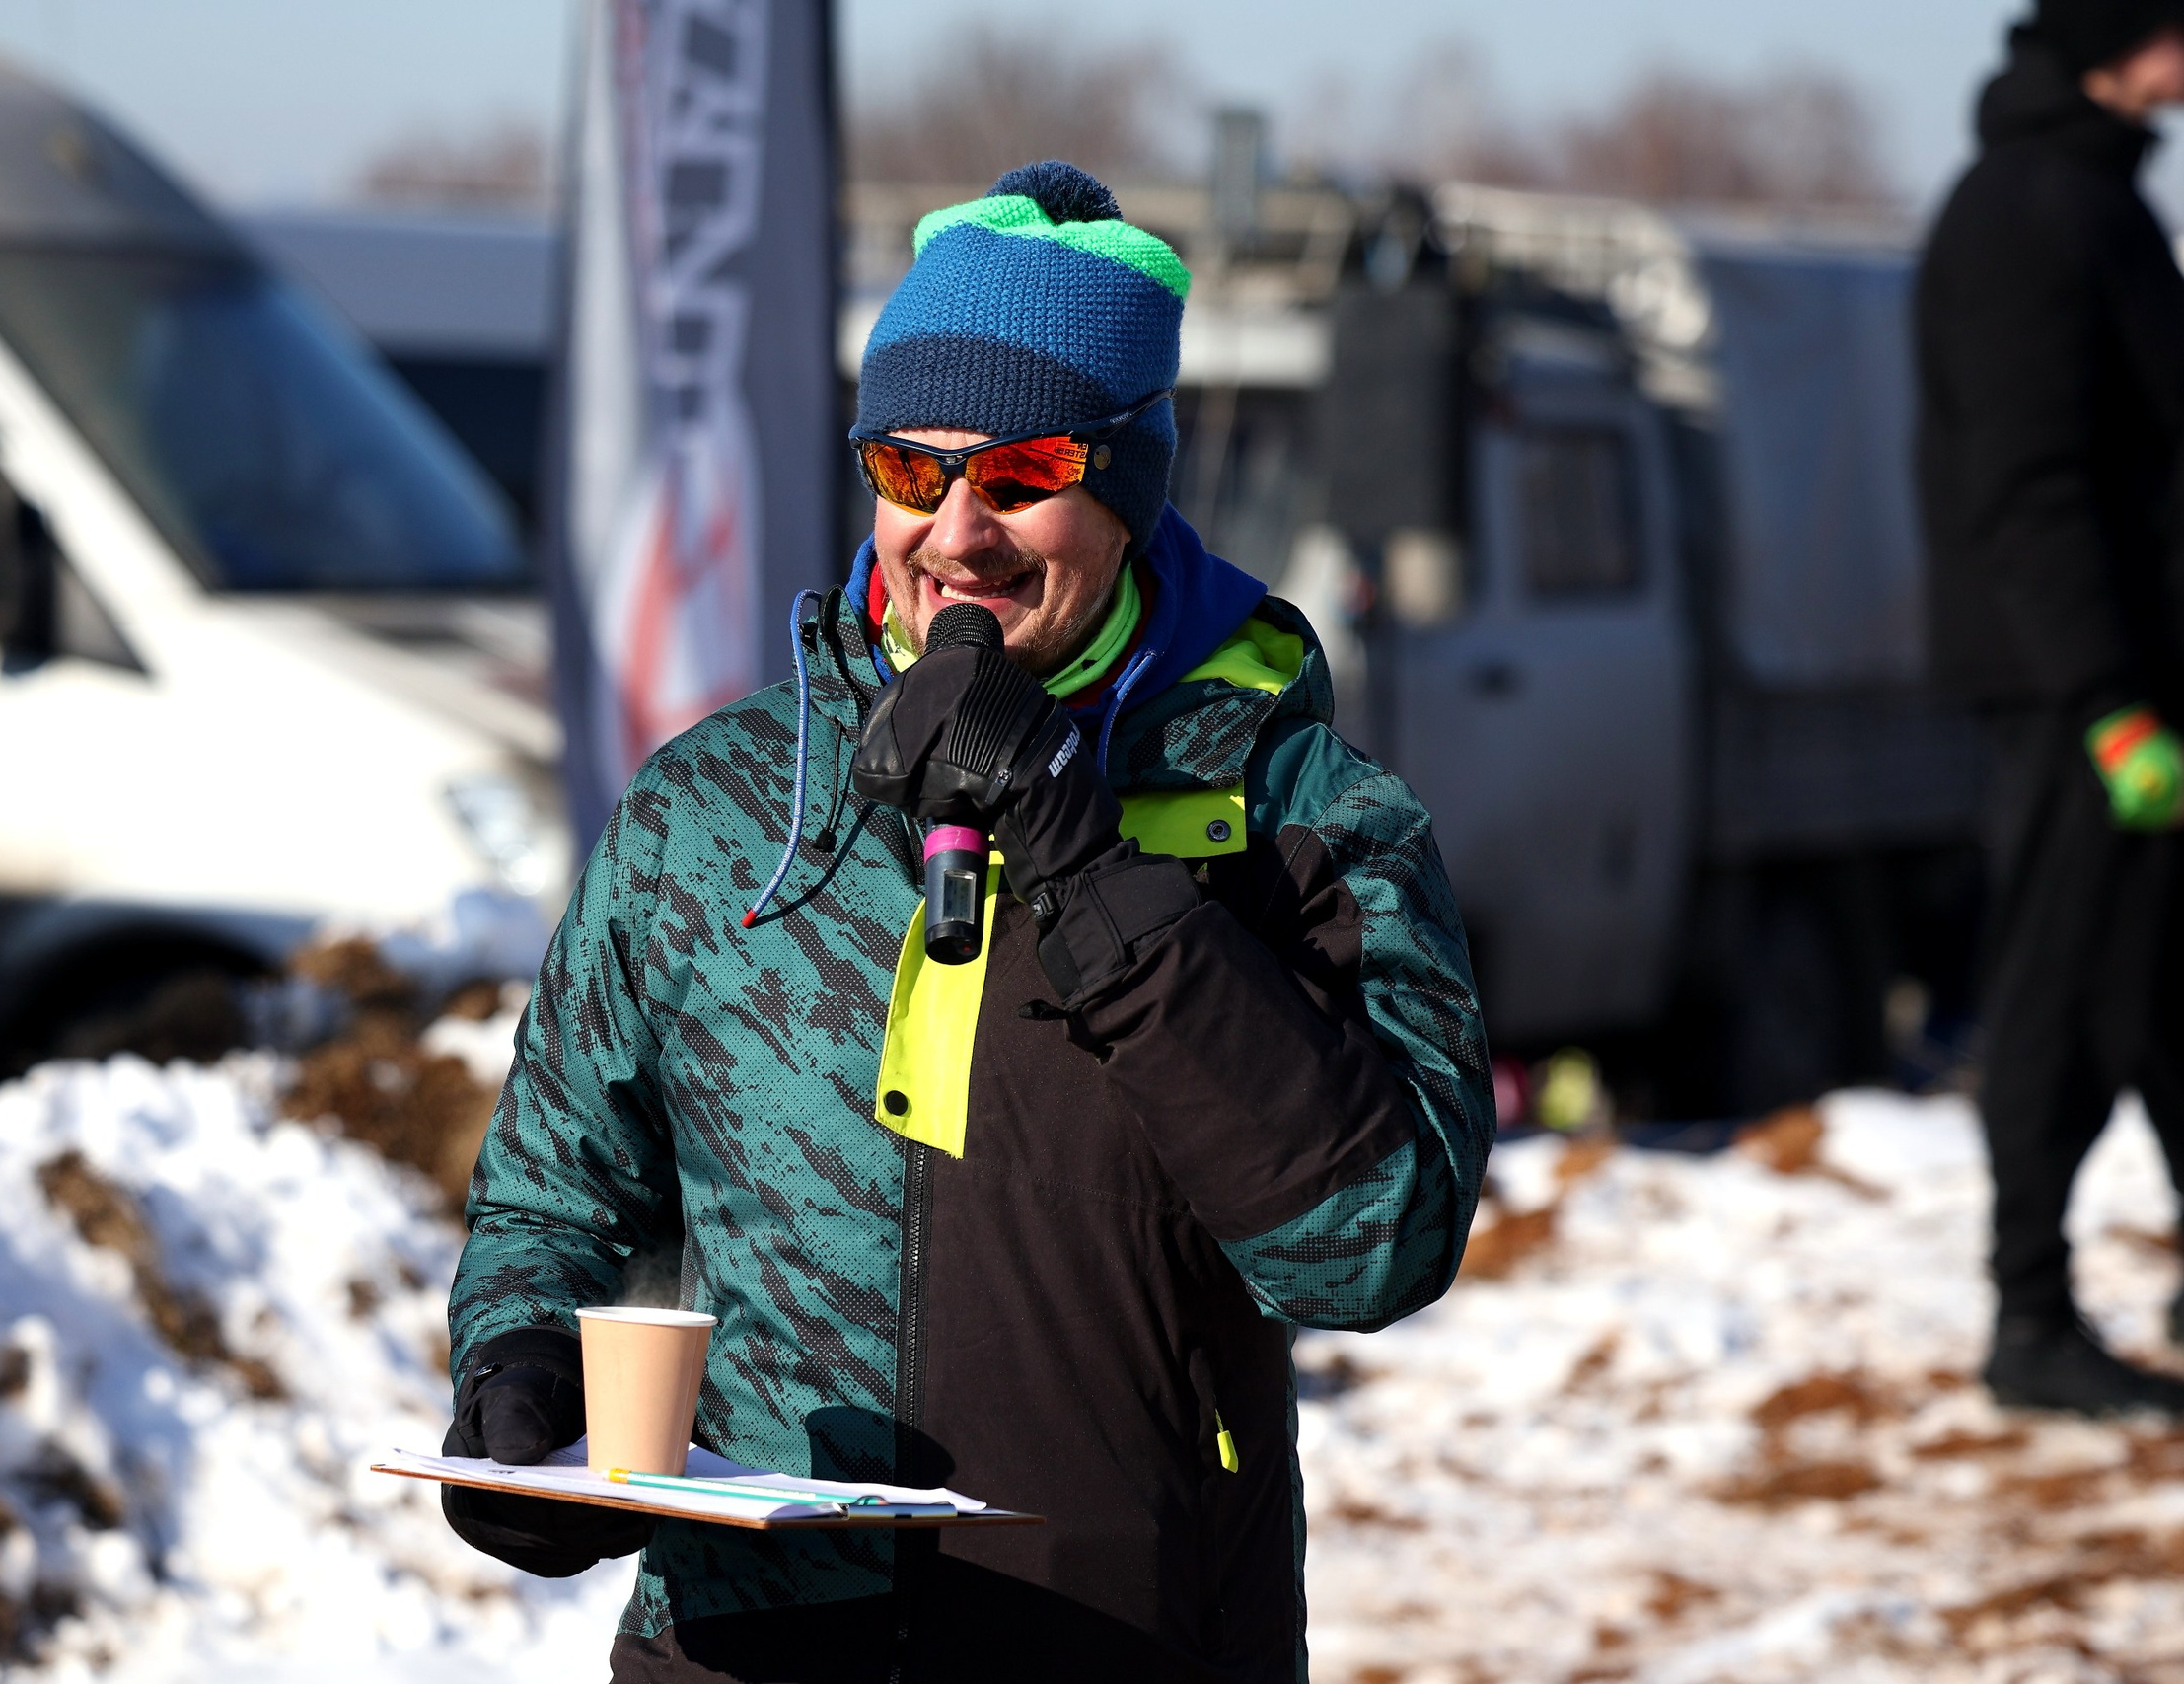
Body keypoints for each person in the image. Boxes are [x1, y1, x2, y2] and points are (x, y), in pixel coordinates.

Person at [440, 161, 1492, 1681]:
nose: (957, 536)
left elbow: (1370, 1246)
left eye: (1022, 475)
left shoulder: (1303, 816)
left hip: (1113, 1639)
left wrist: (1083, 850)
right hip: (747, 1649)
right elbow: (555, 1203)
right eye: (911, 472)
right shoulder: (713, 808)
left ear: (1129, 486)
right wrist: (521, 1379)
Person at [1918, 0, 2184, 1414]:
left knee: (2158, 996)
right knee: (2059, 999)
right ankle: (2029, 1318)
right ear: (2118, 37)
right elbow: (2032, 490)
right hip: (2080, 694)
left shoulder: (2092, 197)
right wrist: (2107, 700)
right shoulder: (2031, 212)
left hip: (2130, 683)